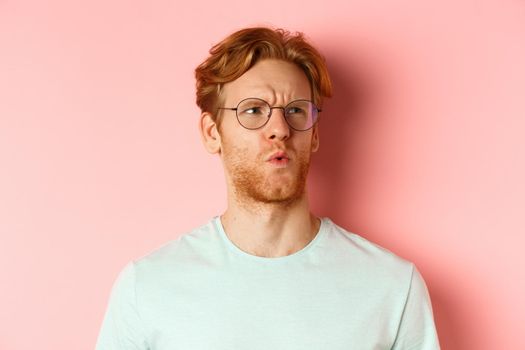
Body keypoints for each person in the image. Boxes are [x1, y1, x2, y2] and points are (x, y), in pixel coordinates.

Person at [95, 26, 441, 350]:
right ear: (212, 133)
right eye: (254, 110)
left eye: (295, 111)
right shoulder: (149, 286)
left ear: (315, 134)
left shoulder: (391, 286)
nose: (279, 128)